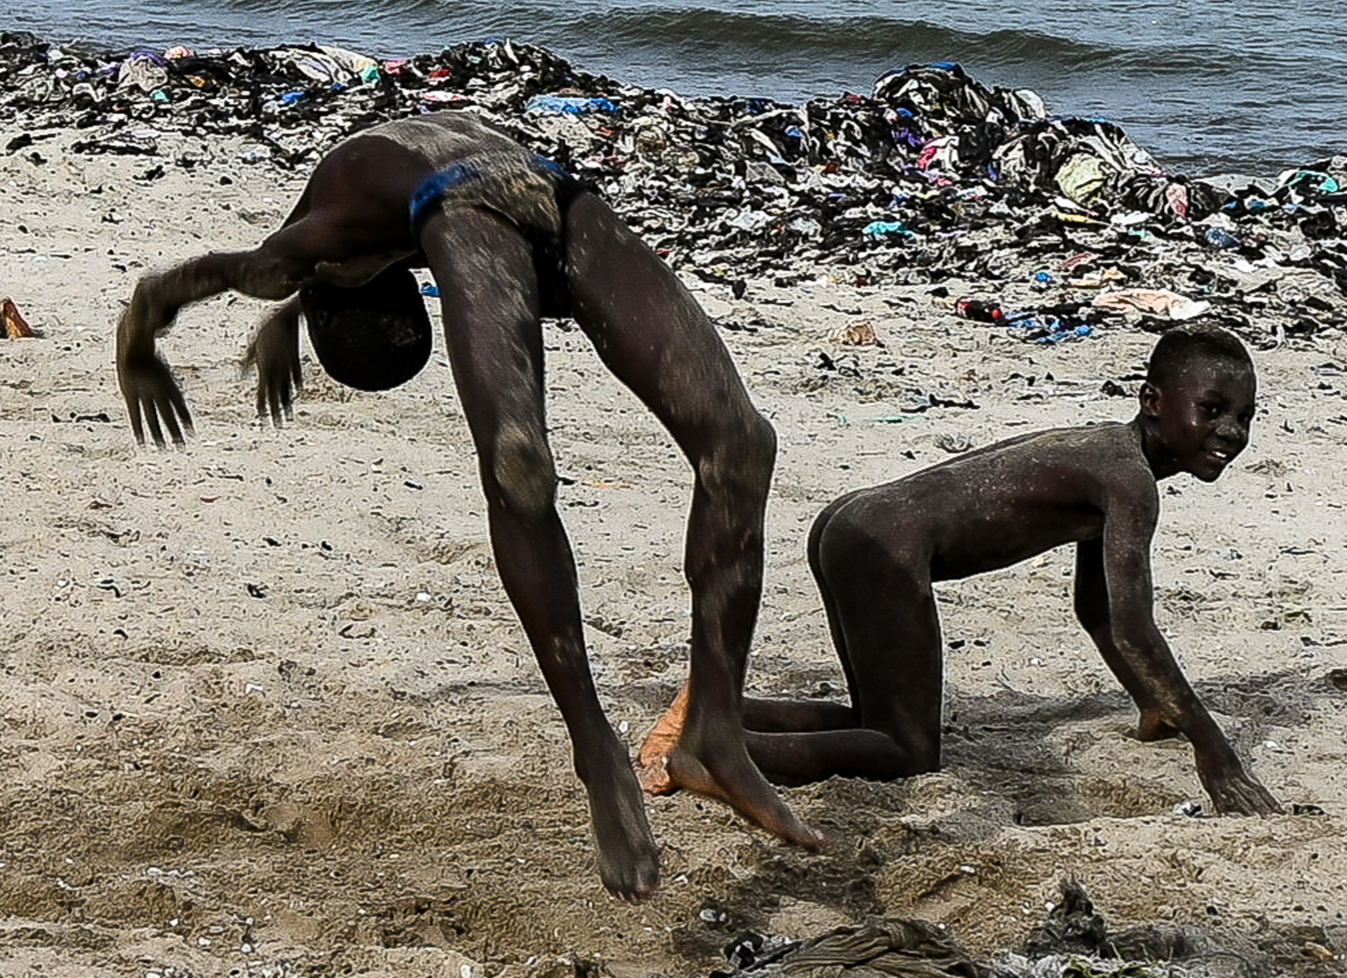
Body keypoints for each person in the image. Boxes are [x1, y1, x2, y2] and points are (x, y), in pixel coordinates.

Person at [114, 112, 822, 901]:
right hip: (542, 193)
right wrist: (277, 331)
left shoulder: (287, 262)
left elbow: (165, 289)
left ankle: (714, 735)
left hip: (490, 201)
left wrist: (141, 352)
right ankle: (598, 747)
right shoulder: (330, 259)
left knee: (734, 445)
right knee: (545, 463)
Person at [638, 324, 1281, 816]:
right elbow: (1136, 627)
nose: (1230, 431)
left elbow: (1099, 609)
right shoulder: (1130, 481)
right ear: (1153, 401)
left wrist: (1153, 704)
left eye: (1244, 417)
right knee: (908, 751)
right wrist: (1214, 750)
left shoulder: (1109, 457)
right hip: (886, 546)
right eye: (1212, 409)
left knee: (874, 719)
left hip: (857, 524)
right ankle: (713, 754)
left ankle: (717, 710)